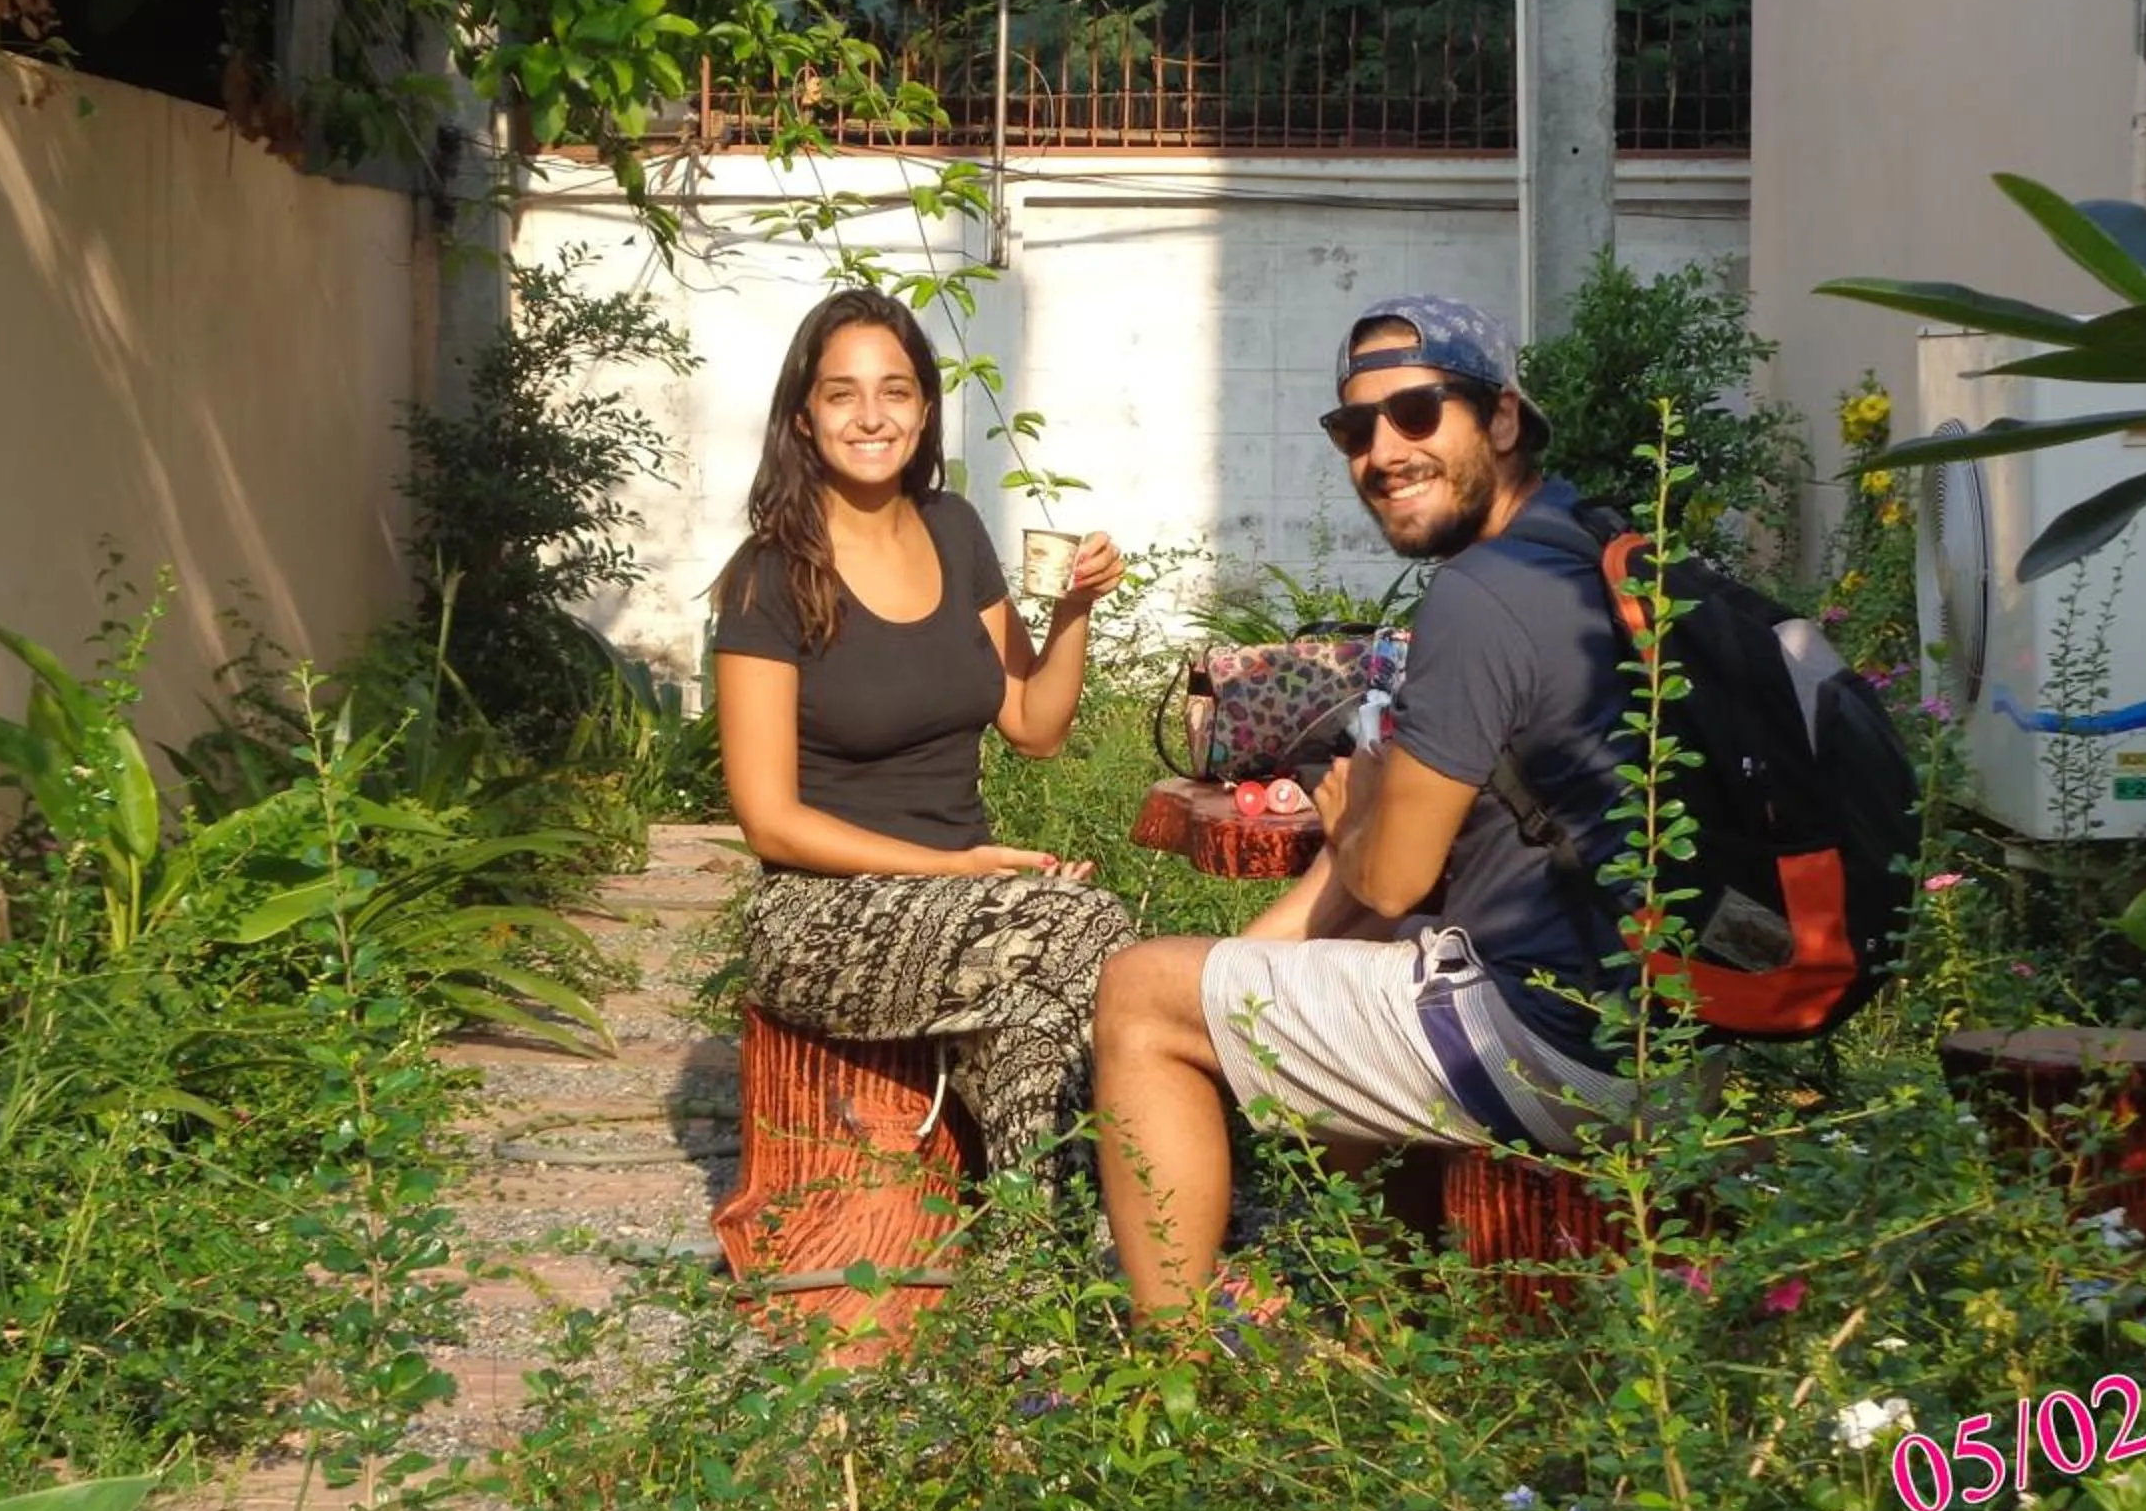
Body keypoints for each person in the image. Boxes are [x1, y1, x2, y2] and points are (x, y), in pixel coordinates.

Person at [1094, 294, 1667, 1328]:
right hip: (1671, 1024)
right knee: (1352, 962)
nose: (1382, 451)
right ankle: (1386, 1316)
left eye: (1417, 412)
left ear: (1499, 418)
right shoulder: (1589, 537)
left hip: (1568, 1046)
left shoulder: (1481, 596)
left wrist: (1354, 819)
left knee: (1138, 996)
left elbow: (1389, 872)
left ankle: (1170, 1376)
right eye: (1356, 428)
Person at [711, 287, 1133, 1182]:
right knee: (1085, 935)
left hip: (971, 899)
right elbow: (769, 822)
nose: (872, 416)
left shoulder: (955, 529)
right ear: (803, 418)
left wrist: (1074, 613)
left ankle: (1033, 1266)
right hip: (820, 914)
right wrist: (961, 870)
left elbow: (1034, 726)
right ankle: (1101, 1253)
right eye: (842, 394)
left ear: (926, 407)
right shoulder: (769, 577)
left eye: (895, 391)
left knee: (1040, 1015)